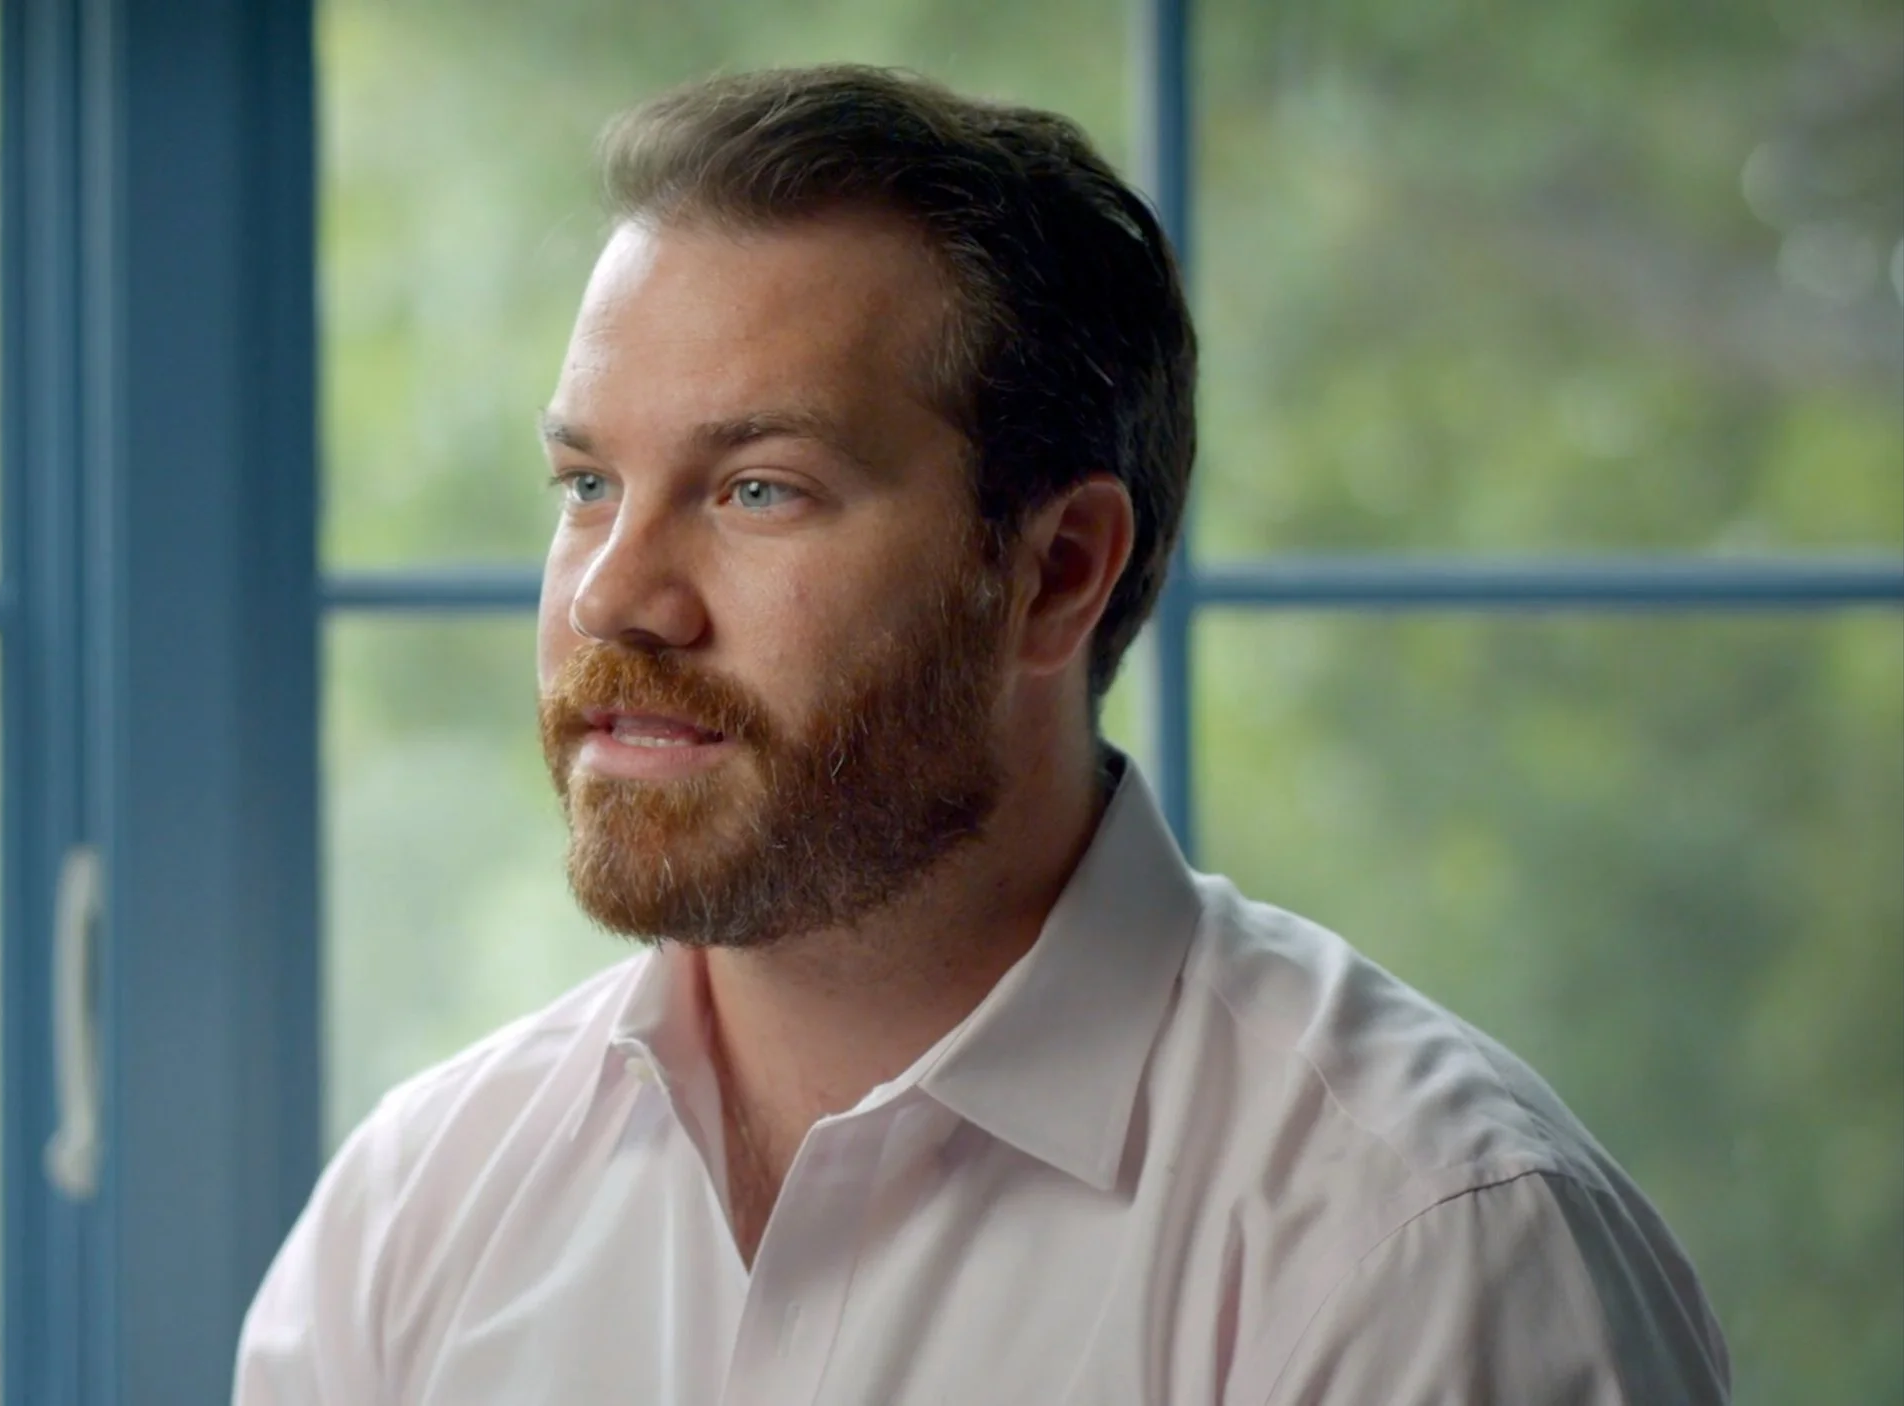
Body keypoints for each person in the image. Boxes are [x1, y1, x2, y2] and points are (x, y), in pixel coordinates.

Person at [235, 65, 1730, 1404]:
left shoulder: (1425, 1252)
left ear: (1056, 570)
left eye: (759, 487)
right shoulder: (414, 1217)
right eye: (585, 486)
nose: (618, 596)